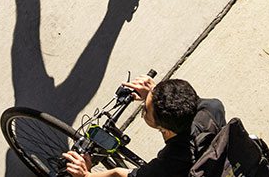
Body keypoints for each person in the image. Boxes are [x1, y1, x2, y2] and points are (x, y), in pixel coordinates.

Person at [62, 75, 223, 177]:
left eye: (145, 109)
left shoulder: (169, 164)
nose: (142, 107)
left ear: (163, 129)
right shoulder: (213, 108)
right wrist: (156, 92)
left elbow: (119, 174)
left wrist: (85, 175)